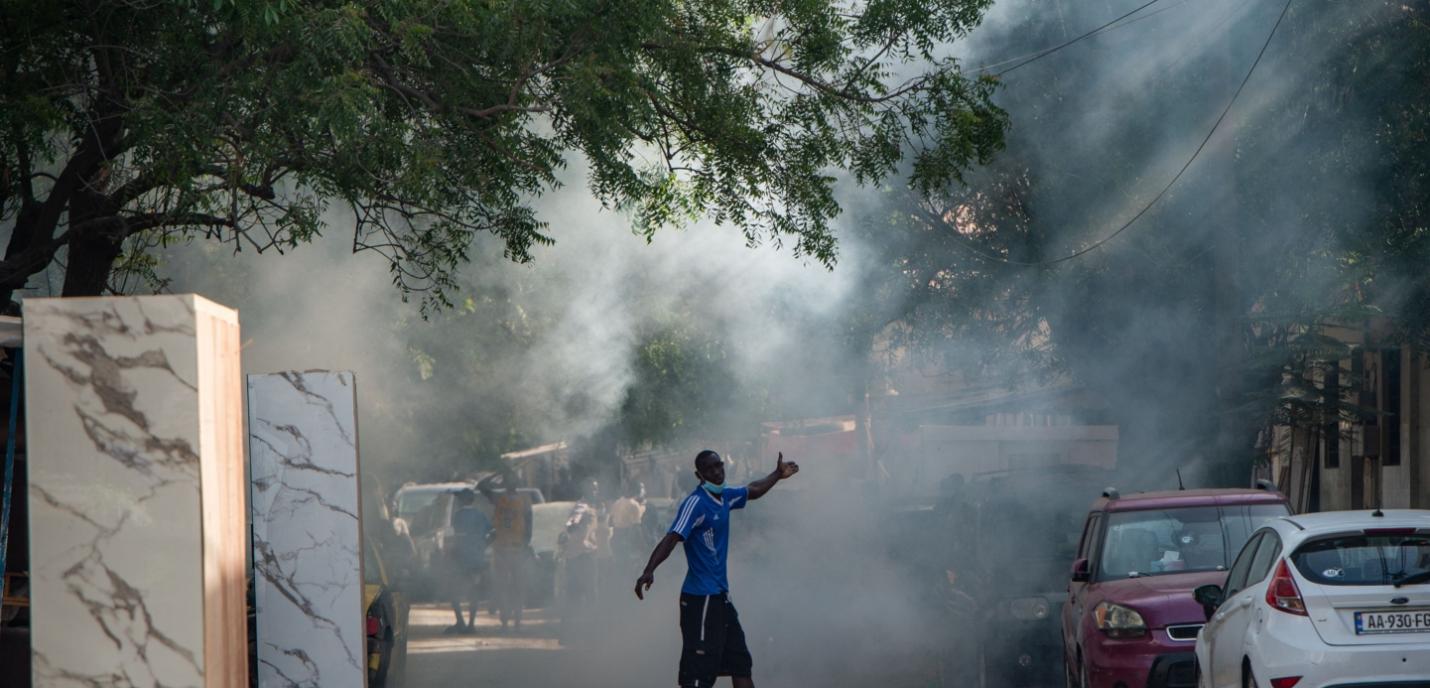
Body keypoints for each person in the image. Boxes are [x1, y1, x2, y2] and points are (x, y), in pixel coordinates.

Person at [634, 450, 801, 688]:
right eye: (710, 468)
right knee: (698, 675)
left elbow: (753, 490)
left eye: (719, 465)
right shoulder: (695, 503)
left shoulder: (725, 496)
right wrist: (649, 570)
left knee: (740, 662)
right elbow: (672, 538)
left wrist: (777, 474)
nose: (717, 471)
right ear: (699, 474)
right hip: (700, 599)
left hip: (721, 597)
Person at [480, 472, 533, 630]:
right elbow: (529, 526)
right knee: (513, 586)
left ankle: (510, 620)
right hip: (510, 549)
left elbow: (482, 486)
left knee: (507, 585)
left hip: (507, 549)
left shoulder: (502, 500)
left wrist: (495, 474)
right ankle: (512, 619)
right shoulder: (519, 500)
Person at [447, 489, 492, 634]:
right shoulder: (480, 515)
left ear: (462, 500)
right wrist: (484, 545)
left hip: (461, 559)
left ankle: (460, 621)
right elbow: (493, 532)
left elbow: (456, 537)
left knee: (454, 591)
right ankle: (471, 624)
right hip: (477, 559)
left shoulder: (458, 516)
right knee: (474, 591)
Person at [609, 481, 647, 562]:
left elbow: (610, 522)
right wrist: (643, 546)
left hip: (616, 539)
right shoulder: (634, 505)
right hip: (627, 541)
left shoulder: (617, 502)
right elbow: (636, 528)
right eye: (642, 489)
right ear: (638, 490)